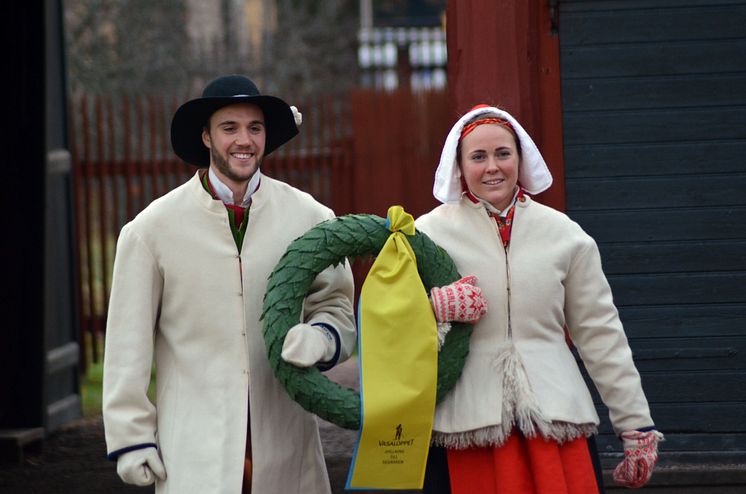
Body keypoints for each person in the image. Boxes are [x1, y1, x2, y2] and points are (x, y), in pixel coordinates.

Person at [102, 74, 356, 494]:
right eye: (230, 128)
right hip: (195, 447)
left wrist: (323, 336)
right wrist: (131, 437)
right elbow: (127, 344)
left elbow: (337, 306)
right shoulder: (150, 230)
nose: (245, 140)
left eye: (254, 128)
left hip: (285, 441)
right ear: (206, 137)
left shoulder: (310, 218)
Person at [415, 104, 663, 493]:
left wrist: (634, 422)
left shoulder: (564, 234)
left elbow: (600, 332)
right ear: (459, 166)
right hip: (464, 423)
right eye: (478, 156)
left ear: (520, 158)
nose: (492, 166)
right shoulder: (423, 236)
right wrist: (431, 309)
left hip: (555, 421)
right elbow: (385, 320)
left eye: (503, 153)